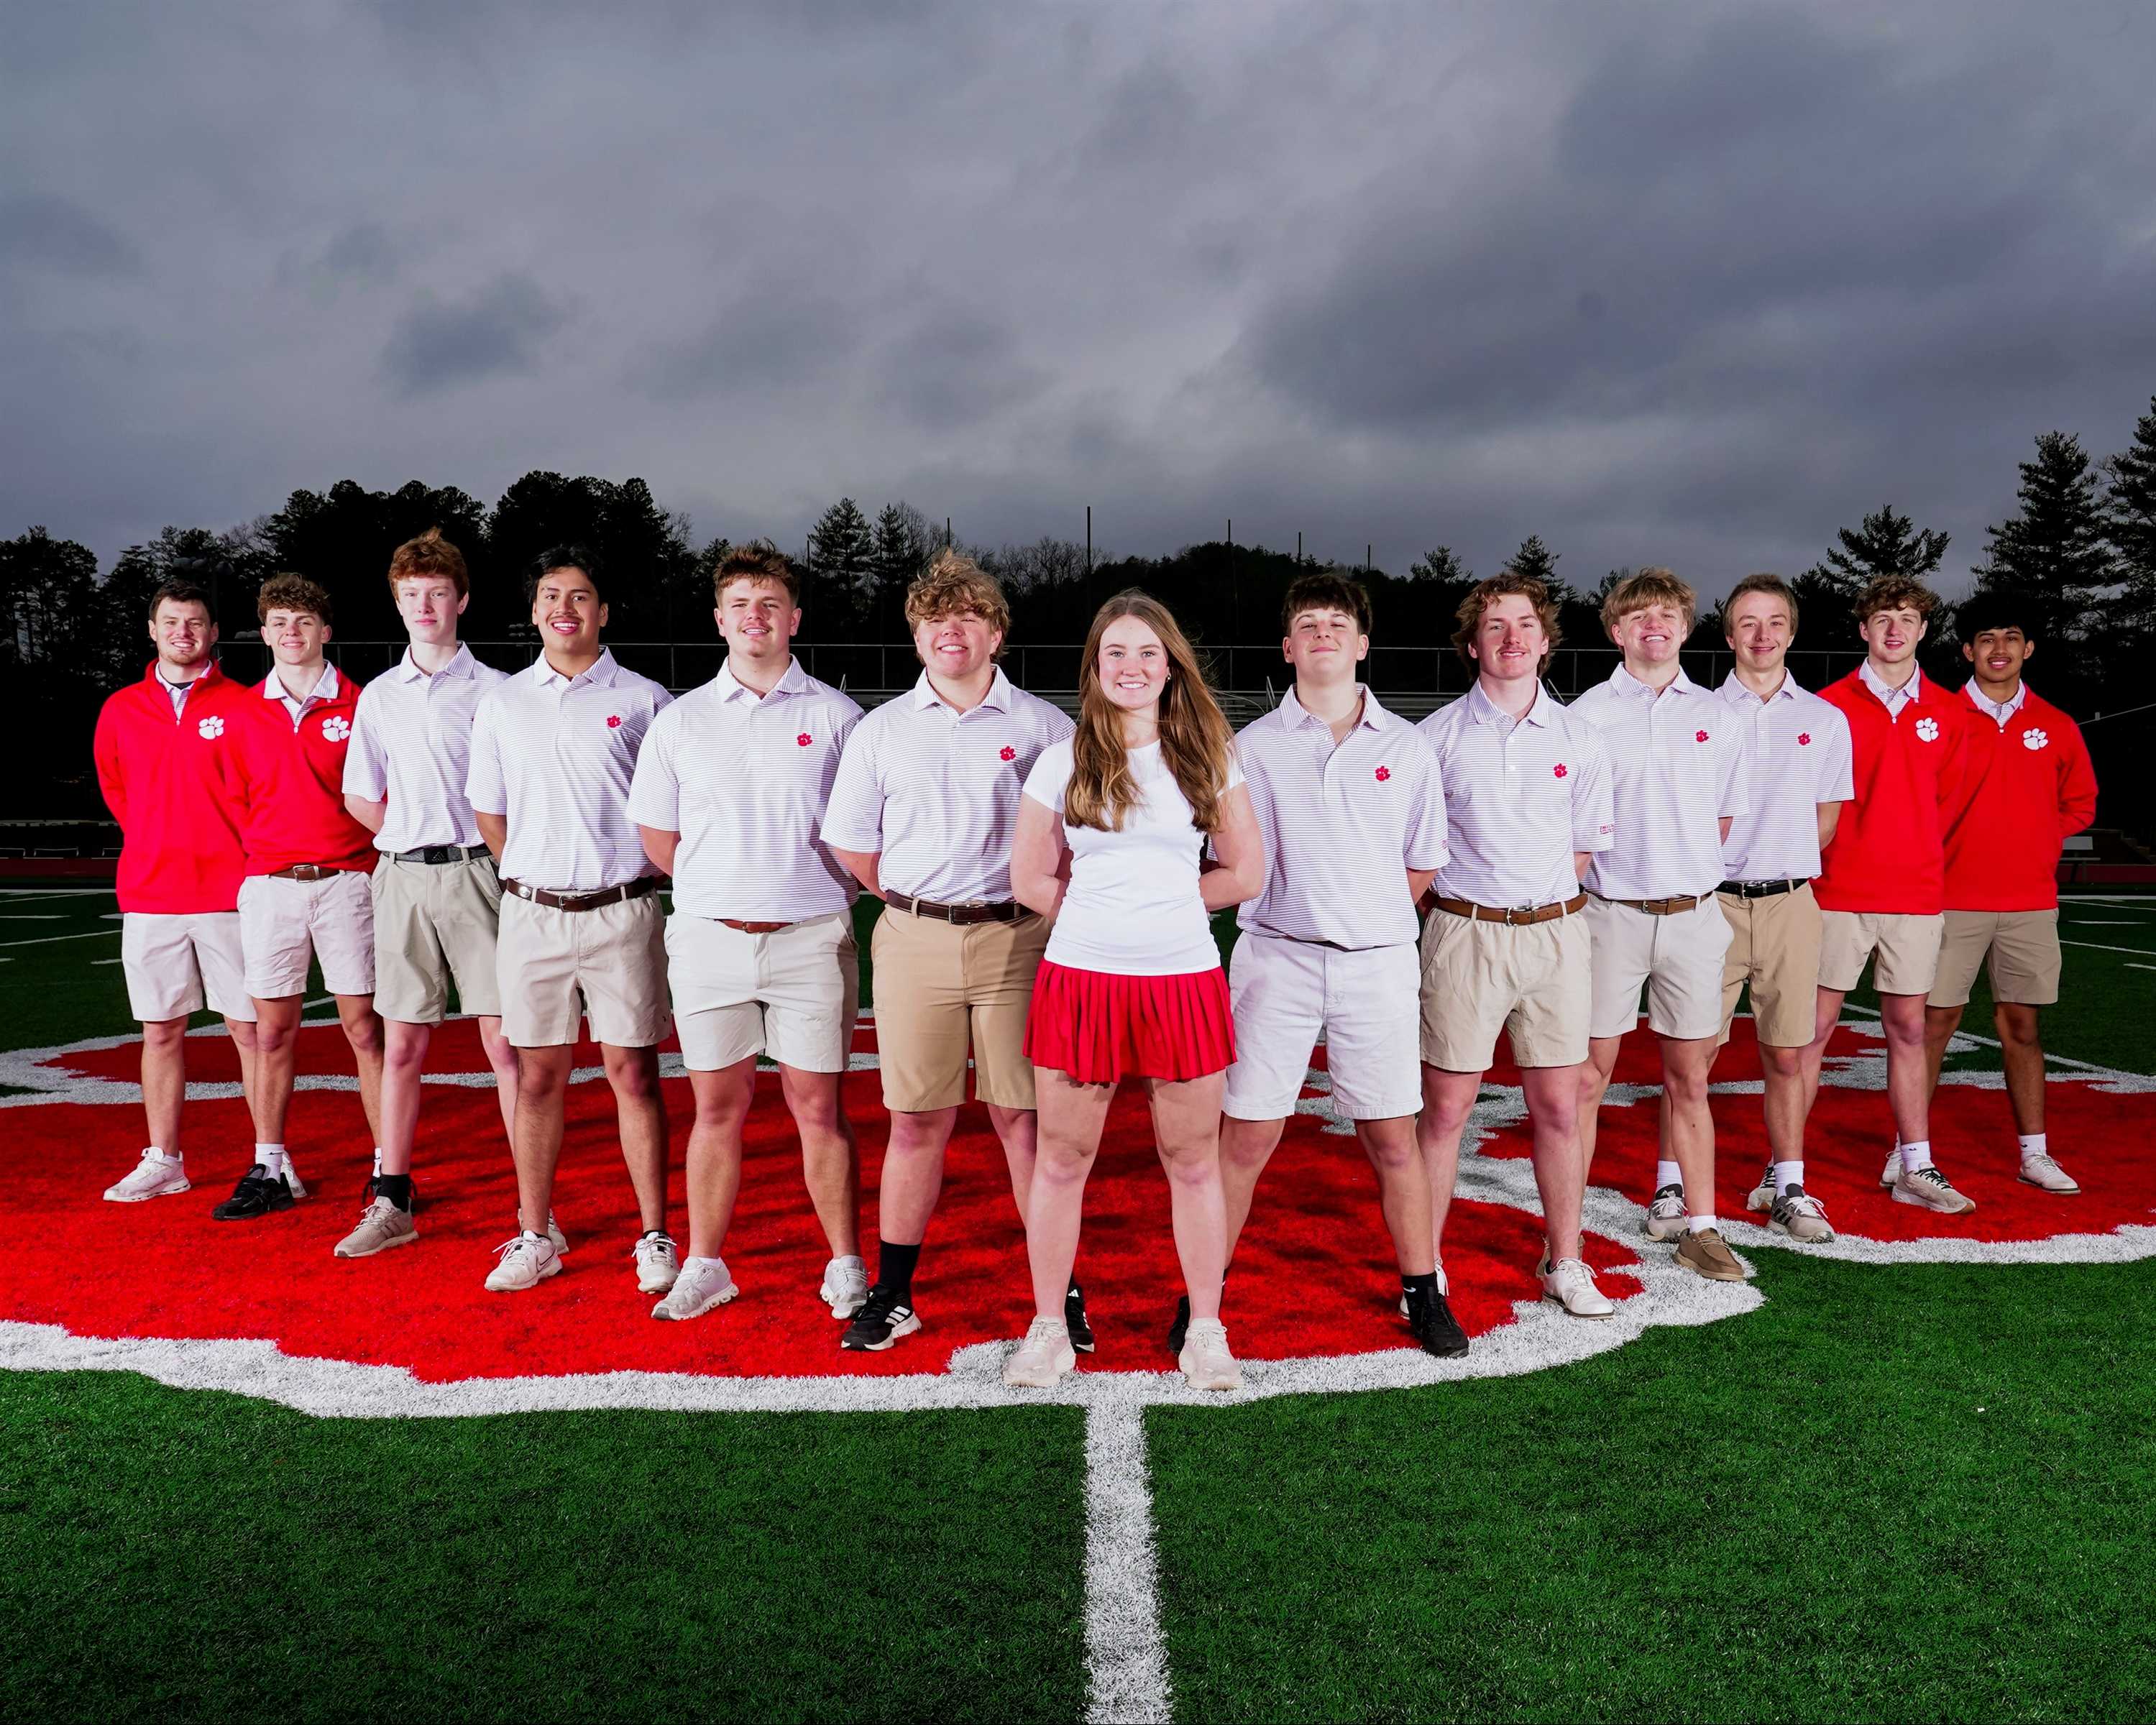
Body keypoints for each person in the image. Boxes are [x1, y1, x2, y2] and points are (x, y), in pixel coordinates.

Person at [1001, 591, 1265, 1391]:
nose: (1131, 666)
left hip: (1181, 980)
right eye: (1115, 652)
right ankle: (1048, 1328)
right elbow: (1027, 875)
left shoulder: (1207, 753)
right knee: (1062, 1158)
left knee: (1190, 1160)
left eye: (1147, 652)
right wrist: (1101, 914)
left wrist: (1164, 908)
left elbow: (1245, 871)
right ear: (1094, 666)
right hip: (1081, 980)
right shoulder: (1063, 757)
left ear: (1169, 664)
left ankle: (1206, 1330)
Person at [820, 550, 1077, 1351]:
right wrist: (921, 897)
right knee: (914, 1121)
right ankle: (894, 1293)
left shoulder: (1045, 727)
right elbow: (855, 849)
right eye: (934, 617)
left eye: (966, 614)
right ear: (916, 634)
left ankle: (1055, 1293)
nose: (949, 630)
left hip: (1017, 939)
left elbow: (1071, 845)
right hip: (914, 937)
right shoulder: (881, 729)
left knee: (1022, 1121)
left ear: (996, 631)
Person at [1214, 571, 1462, 1358]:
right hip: (1275, 962)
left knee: (1393, 1135)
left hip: (1376, 964)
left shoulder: (1409, 747)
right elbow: (1234, 860)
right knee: (1245, 1137)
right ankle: (1202, 1293)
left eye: (1337, 623)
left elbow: (1421, 864)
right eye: (1307, 624)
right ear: (1287, 648)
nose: (1323, 633)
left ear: (1361, 644)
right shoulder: (1248, 748)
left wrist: (1365, 921)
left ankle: (1422, 1289)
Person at [628, 543, 869, 1323]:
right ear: (718, 620)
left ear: (793, 618)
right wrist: (722, 892)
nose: (754, 618)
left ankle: (843, 1262)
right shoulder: (680, 719)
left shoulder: (836, 716)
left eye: (769, 605)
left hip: (809, 938)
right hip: (709, 938)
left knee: (817, 1108)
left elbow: (860, 829)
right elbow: (659, 839)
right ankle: (706, 1262)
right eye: (739, 605)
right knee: (716, 1108)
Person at [465, 546, 677, 1295]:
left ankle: (654, 1233)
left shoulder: (647, 699)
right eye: (551, 594)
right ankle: (534, 1232)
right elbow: (489, 811)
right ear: (533, 612)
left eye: (581, 596)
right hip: (535, 915)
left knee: (633, 1074)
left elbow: (666, 808)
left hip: (622, 910)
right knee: (535, 1078)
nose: (566, 607)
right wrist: (533, 875)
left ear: (604, 612)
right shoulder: (502, 702)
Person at [1416, 574, 1618, 1319]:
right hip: (1463, 933)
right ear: (1472, 643)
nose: (1510, 638)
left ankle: (1564, 1260)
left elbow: (1580, 852)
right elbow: (1420, 851)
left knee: (1559, 1106)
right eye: (1494, 626)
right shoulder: (1431, 738)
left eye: (1524, 625)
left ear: (1543, 638)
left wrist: (1532, 912)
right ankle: (1423, 1268)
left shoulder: (1579, 738)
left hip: (1556, 934)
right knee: (1444, 1108)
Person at [335, 528, 518, 1258]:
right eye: (411, 595)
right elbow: (359, 795)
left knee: (504, 1042)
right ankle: (392, 1194)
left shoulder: (499, 692)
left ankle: (525, 1204)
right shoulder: (380, 696)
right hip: (404, 874)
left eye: (436, 594)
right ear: (397, 602)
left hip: (479, 871)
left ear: (461, 600)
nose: (424, 606)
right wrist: (411, 835)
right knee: (403, 1041)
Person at [1571, 569, 1750, 1281]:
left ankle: (1700, 1227)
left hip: (1691, 918)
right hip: (1609, 916)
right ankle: (1570, 1233)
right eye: (1638, 614)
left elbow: (1725, 820)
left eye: (1668, 613)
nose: (1654, 623)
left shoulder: (1718, 716)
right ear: (1615, 631)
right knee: (1586, 1077)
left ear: (1684, 627)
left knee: (1689, 1079)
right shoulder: (1583, 714)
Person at [216, 575, 385, 1220]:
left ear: (326, 631)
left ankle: (384, 1167)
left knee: (364, 1028)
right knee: (270, 1033)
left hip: (346, 883)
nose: (293, 632)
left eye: (305, 621)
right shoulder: (240, 713)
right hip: (269, 885)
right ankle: (271, 1164)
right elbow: (235, 802)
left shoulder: (362, 704)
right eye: (280, 621)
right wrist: (265, 859)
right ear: (264, 634)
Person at [1805, 575, 1976, 1212]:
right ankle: (1783, 1168)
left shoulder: (1952, 713)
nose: (1894, 629)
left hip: (1914, 897)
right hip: (1836, 892)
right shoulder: (1825, 707)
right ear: (1862, 629)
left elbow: (1950, 807)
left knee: (1907, 1028)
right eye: (1881, 618)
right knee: (1812, 1031)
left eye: (1906, 618)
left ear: (1923, 629)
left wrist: (1917, 859)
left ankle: (1915, 1165)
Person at [1921, 592, 2097, 1195]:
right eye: (1985, 639)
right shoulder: (1938, 718)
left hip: (2027, 902)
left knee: (2020, 1026)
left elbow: (2080, 804)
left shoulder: (2055, 725)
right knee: (1933, 1023)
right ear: (1967, 650)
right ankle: (1909, 1150)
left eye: (2010, 637)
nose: (1999, 649)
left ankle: (2034, 1154)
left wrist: (2034, 836)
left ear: (2028, 649)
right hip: (1949, 897)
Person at [93, 581, 263, 1203]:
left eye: (195, 623)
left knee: (250, 1031)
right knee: (160, 1031)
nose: (183, 633)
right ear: (152, 629)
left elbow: (260, 797)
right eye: (172, 622)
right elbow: (117, 792)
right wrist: (158, 841)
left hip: (232, 893)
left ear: (214, 633)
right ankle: (164, 1159)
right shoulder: (120, 709)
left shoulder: (248, 706)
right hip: (150, 893)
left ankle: (268, 1160)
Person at [1710, 574, 1853, 1243]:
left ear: (1791, 633)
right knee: (1692, 1054)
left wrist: (1773, 860)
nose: (1761, 636)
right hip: (1710, 906)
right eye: (1747, 623)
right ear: (1728, 633)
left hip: (1791, 902)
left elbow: (1824, 821)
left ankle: (1789, 1183)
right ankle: (1670, 1185)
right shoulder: (1699, 715)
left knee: (1788, 1053)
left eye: (1774, 623)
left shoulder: (1825, 720)